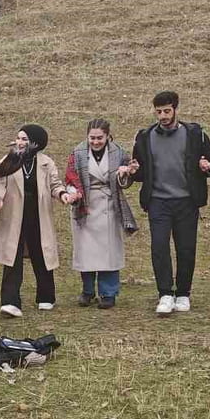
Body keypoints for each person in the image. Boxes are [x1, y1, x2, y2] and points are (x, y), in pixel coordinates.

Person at [129, 91, 210, 317]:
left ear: (176, 109)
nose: (163, 116)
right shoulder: (144, 136)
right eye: (159, 112)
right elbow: (140, 172)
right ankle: (165, 294)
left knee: (186, 248)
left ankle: (183, 293)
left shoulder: (195, 134)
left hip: (186, 201)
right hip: (158, 201)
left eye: (167, 111)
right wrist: (133, 170)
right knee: (159, 247)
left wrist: (207, 165)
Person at [0, 125, 65, 315]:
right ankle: (10, 301)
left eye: (24, 139)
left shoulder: (46, 163)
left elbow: (55, 184)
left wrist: (62, 194)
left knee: (42, 254)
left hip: (38, 216)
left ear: (35, 144)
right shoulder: (8, 160)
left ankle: (46, 297)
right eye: (18, 138)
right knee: (12, 257)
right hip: (14, 216)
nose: (19, 142)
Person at [59, 119, 139, 309]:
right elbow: (70, 178)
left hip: (109, 206)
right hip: (84, 206)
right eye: (92, 138)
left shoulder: (119, 153)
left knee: (109, 252)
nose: (95, 142)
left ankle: (108, 293)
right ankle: (87, 291)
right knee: (86, 252)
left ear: (107, 136)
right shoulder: (77, 153)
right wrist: (73, 193)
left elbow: (126, 182)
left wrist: (126, 173)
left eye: (99, 138)